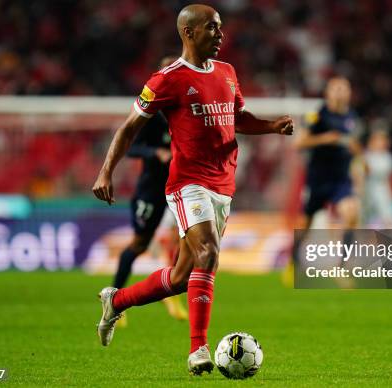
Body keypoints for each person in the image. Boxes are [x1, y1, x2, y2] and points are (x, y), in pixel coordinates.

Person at [92, 4, 293, 375]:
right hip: (188, 183)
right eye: (212, 28)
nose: (221, 35)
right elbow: (128, 128)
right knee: (209, 254)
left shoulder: (227, 72)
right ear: (189, 32)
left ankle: (116, 300)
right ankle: (198, 350)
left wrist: (271, 126)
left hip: (223, 183)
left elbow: (237, 119)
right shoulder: (167, 79)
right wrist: (106, 172)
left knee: (184, 276)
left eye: (220, 28)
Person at [111, 57, 187, 323]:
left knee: (183, 240)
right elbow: (130, 146)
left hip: (182, 186)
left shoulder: (188, 108)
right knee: (140, 243)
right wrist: (156, 152)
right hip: (152, 189)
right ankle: (115, 297)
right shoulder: (152, 113)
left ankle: (172, 296)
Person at [283, 77, 361, 286]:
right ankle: (292, 262)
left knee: (351, 213)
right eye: (336, 88)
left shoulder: (352, 117)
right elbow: (299, 143)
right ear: (327, 92)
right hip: (318, 180)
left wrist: (357, 153)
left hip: (341, 180)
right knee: (305, 225)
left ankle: (343, 268)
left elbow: (354, 146)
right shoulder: (317, 115)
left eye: (344, 88)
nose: (340, 92)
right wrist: (326, 138)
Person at [362, 128, 392, 228]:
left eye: (382, 140)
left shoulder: (388, 158)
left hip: (382, 195)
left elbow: (369, 170)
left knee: (391, 225)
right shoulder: (366, 155)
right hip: (366, 196)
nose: (379, 143)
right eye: (376, 140)